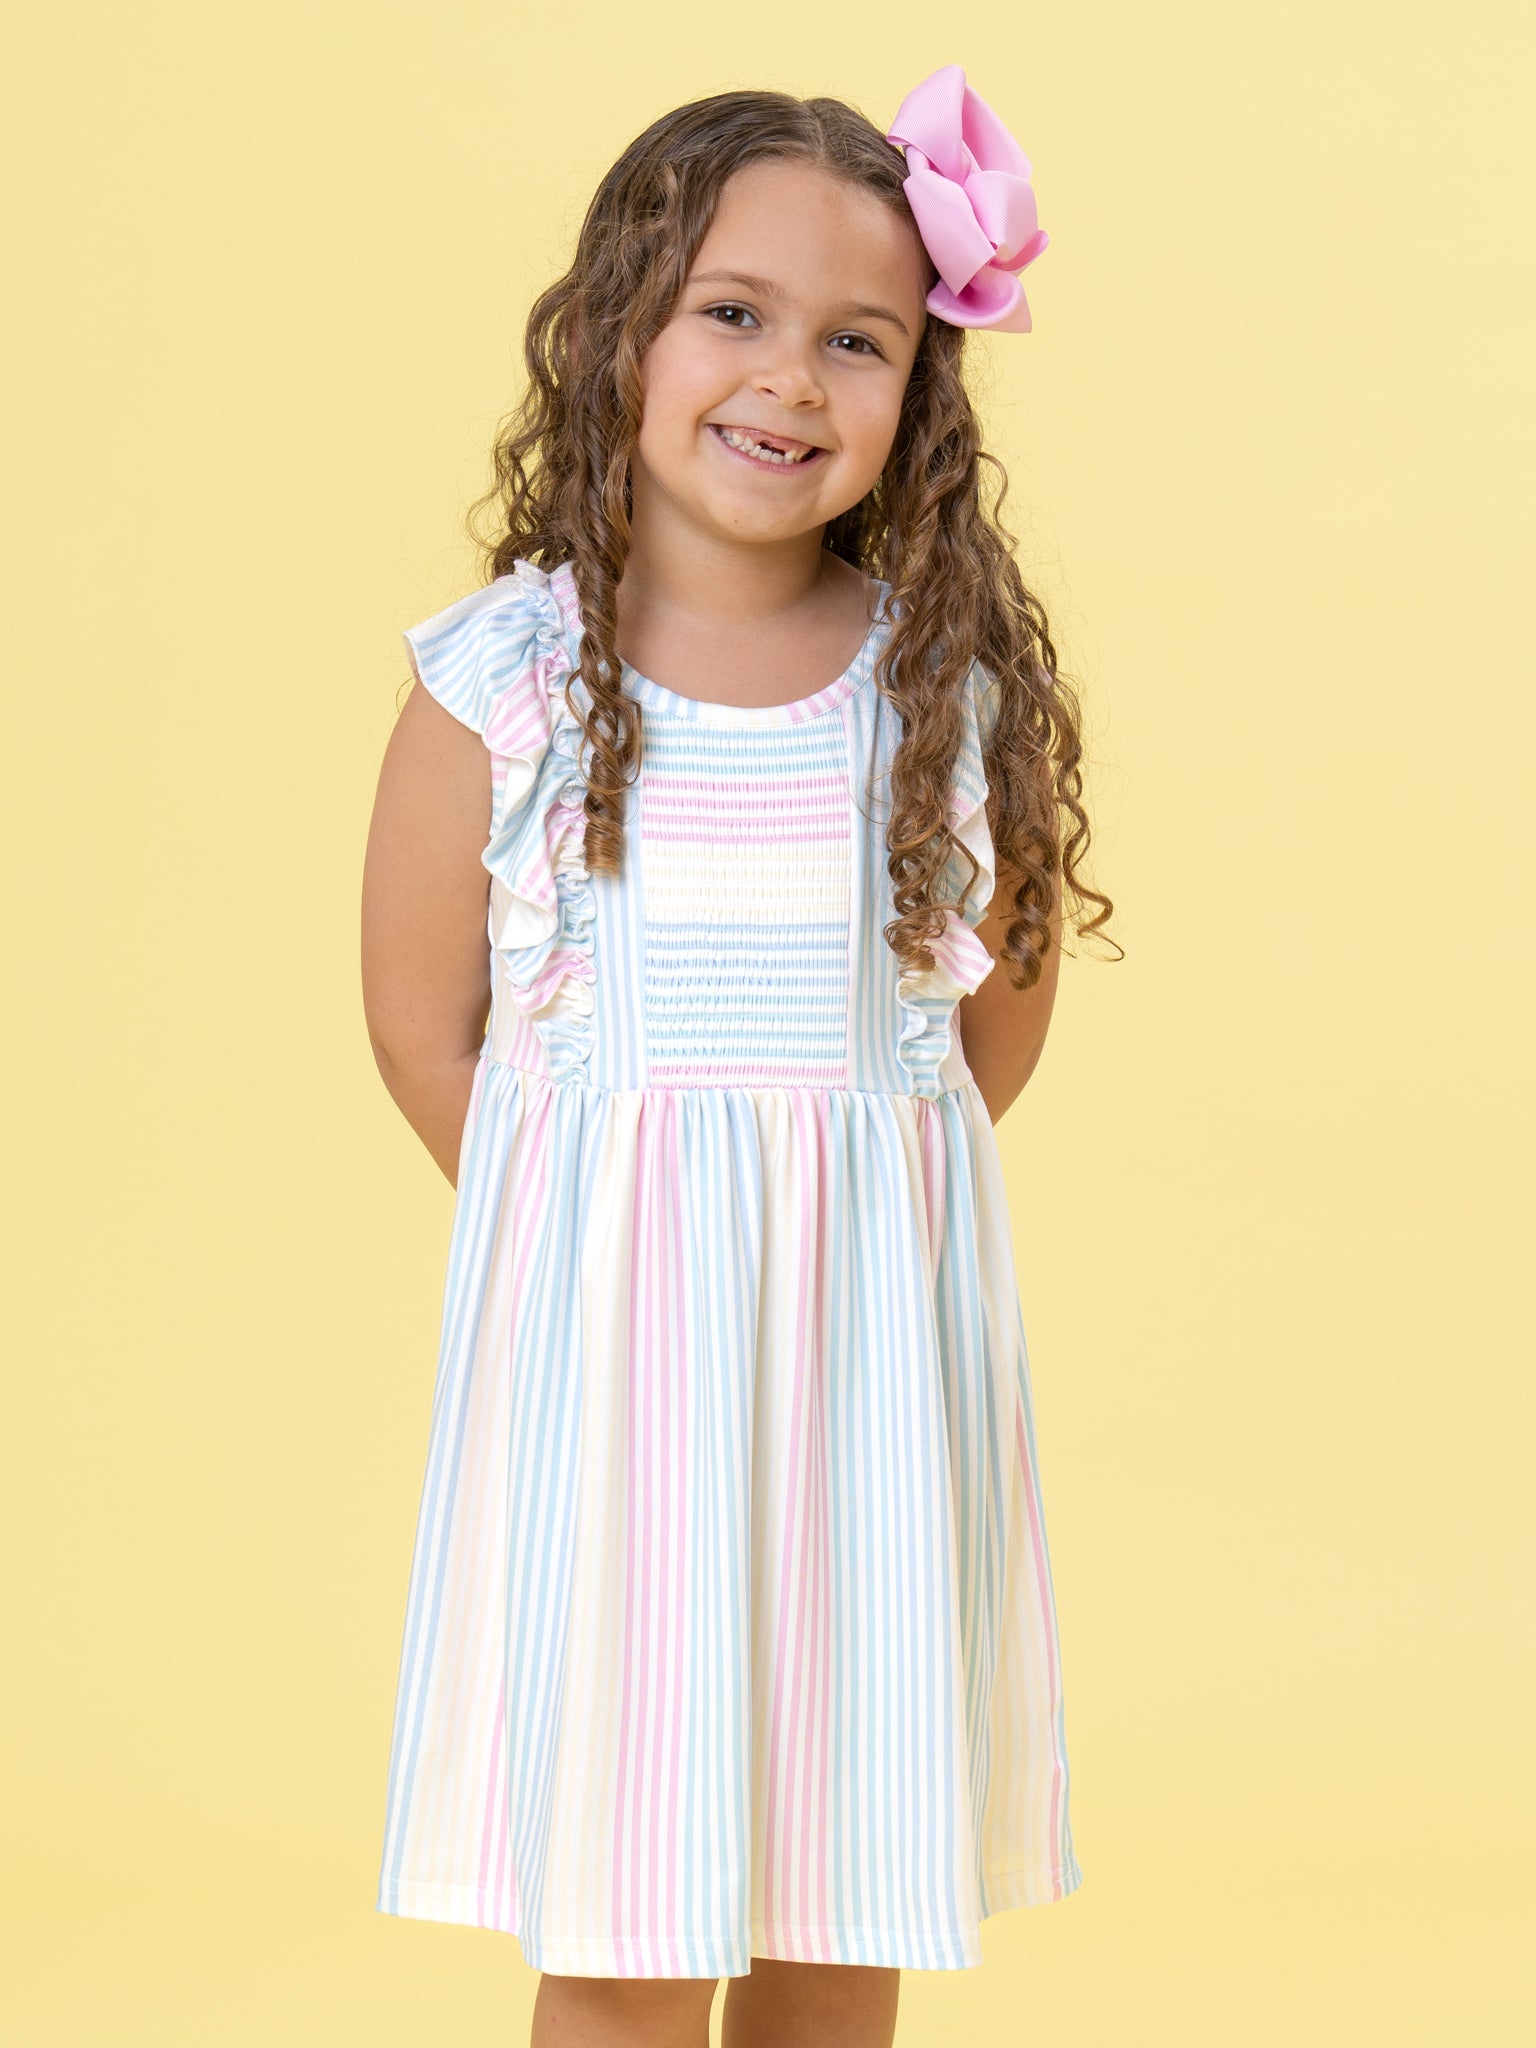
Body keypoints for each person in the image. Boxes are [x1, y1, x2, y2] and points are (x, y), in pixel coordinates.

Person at [360, 63, 1119, 2048]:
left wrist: (829, 1219)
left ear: (917, 394)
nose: (791, 377)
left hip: (869, 1379)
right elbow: (425, 1028)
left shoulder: (942, 693)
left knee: (840, 1882)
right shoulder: (508, 682)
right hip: (620, 1381)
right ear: (620, 327)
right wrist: (613, 1236)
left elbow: (978, 1040)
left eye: (858, 340)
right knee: (622, 1909)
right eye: (734, 312)